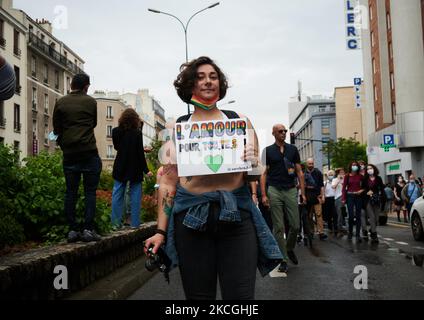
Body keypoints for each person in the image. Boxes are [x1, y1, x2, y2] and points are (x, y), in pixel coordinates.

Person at [144, 56, 282, 300]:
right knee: (199, 299)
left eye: (213, 76)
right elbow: (167, 182)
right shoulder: (176, 126)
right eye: (200, 77)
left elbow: (253, 174)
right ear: (190, 86)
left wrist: (253, 163)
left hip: (237, 218)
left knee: (240, 298)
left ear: (220, 83)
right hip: (191, 221)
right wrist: (161, 232)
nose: (207, 81)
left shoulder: (240, 122)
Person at [53, 73, 102, 243]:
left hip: (70, 154)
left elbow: (56, 128)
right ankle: (88, 229)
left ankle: (72, 230)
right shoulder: (91, 102)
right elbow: (93, 123)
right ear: (86, 86)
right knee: (90, 192)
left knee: (71, 193)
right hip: (88, 151)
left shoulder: (60, 102)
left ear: (72, 84)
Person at [261, 124, 306, 274]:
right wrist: (264, 194)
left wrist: (303, 193)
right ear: (273, 133)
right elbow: (263, 174)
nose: (284, 133)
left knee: (295, 225)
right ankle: (284, 259)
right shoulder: (267, 151)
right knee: (279, 228)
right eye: (280, 131)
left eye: (285, 131)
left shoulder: (292, 149)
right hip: (274, 190)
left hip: (291, 190)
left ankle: (289, 247)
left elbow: (299, 172)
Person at [111, 108, 152, 230]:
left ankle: (115, 224)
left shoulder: (115, 131)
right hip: (135, 166)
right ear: (135, 120)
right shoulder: (137, 133)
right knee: (135, 195)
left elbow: (117, 147)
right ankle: (134, 223)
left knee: (117, 194)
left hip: (121, 165)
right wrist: (146, 170)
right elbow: (140, 153)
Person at [304, 158, 328, 240]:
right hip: (307, 197)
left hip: (317, 197)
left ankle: (321, 232)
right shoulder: (304, 173)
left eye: (312, 163)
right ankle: (311, 231)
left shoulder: (318, 173)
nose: (311, 165)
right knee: (309, 216)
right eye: (309, 163)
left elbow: (321, 185)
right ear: (306, 164)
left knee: (319, 214)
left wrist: (323, 195)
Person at [342, 161, 365, 242]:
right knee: (351, 216)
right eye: (353, 165)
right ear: (350, 166)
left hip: (358, 196)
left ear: (358, 167)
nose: (354, 166)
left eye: (355, 165)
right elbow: (344, 188)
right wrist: (343, 198)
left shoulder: (360, 176)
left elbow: (365, 186)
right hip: (349, 196)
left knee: (358, 216)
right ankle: (350, 233)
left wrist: (361, 190)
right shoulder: (347, 176)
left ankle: (358, 235)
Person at [362, 164, 385, 244]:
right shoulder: (365, 179)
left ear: (374, 169)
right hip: (368, 200)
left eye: (371, 168)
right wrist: (366, 192)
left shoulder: (379, 178)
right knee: (371, 217)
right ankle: (374, 235)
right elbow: (362, 189)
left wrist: (383, 200)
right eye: (367, 169)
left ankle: (372, 229)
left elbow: (382, 189)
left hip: (376, 200)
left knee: (376, 219)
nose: (369, 170)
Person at [333, 168, 347, 235]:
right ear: (338, 173)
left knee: (347, 214)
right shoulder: (335, 180)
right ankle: (339, 229)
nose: (342, 174)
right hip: (338, 198)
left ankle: (347, 228)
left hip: (347, 197)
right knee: (340, 214)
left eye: (343, 172)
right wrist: (338, 180)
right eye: (340, 172)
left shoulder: (346, 179)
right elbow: (333, 187)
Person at [324, 170, 338, 236]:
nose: (331, 176)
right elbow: (323, 191)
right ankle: (330, 227)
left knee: (335, 213)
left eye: (332, 174)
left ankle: (335, 227)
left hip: (334, 198)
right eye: (329, 174)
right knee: (329, 214)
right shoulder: (325, 183)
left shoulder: (335, 182)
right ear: (327, 176)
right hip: (327, 199)